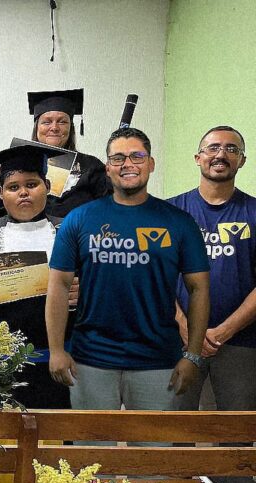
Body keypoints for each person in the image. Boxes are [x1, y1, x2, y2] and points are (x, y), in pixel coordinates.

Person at [46, 127, 210, 413]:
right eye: (118, 158)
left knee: (152, 454)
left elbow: (199, 289)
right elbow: (58, 286)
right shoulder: (80, 219)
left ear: (151, 163)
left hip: (158, 361)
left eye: (137, 156)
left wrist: (193, 355)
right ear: (107, 167)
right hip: (90, 360)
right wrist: (57, 350)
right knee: (93, 454)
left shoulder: (180, 223)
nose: (128, 164)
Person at [0, 144, 74, 409]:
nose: (23, 193)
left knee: (56, 438)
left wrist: (83, 289)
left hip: (60, 356)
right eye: (13, 187)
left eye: (32, 184)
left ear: (48, 185)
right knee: (1, 441)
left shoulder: (70, 231)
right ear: (1, 192)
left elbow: (93, 288)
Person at [170, 126, 256, 412]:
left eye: (232, 149)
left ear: (242, 160)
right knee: (173, 435)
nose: (221, 154)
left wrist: (224, 331)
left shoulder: (253, 212)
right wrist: (184, 325)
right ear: (198, 157)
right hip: (177, 340)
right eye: (213, 148)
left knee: (239, 438)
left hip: (241, 344)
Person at [0, 89, 111, 219]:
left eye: (62, 122)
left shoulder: (91, 166)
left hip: (77, 235)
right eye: (47, 122)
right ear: (37, 127)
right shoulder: (17, 161)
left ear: (71, 128)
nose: (54, 127)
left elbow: (109, 209)